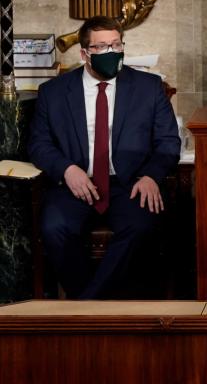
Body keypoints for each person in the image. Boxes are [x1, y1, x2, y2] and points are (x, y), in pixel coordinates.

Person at [29, 16, 181, 299]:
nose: (110, 52)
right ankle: (95, 304)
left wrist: (151, 176)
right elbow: (39, 144)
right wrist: (67, 169)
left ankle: (86, 306)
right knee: (54, 228)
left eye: (116, 45)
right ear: (84, 53)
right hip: (76, 182)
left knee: (140, 226)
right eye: (100, 47)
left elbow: (168, 142)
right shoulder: (54, 92)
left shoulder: (149, 87)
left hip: (130, 182)